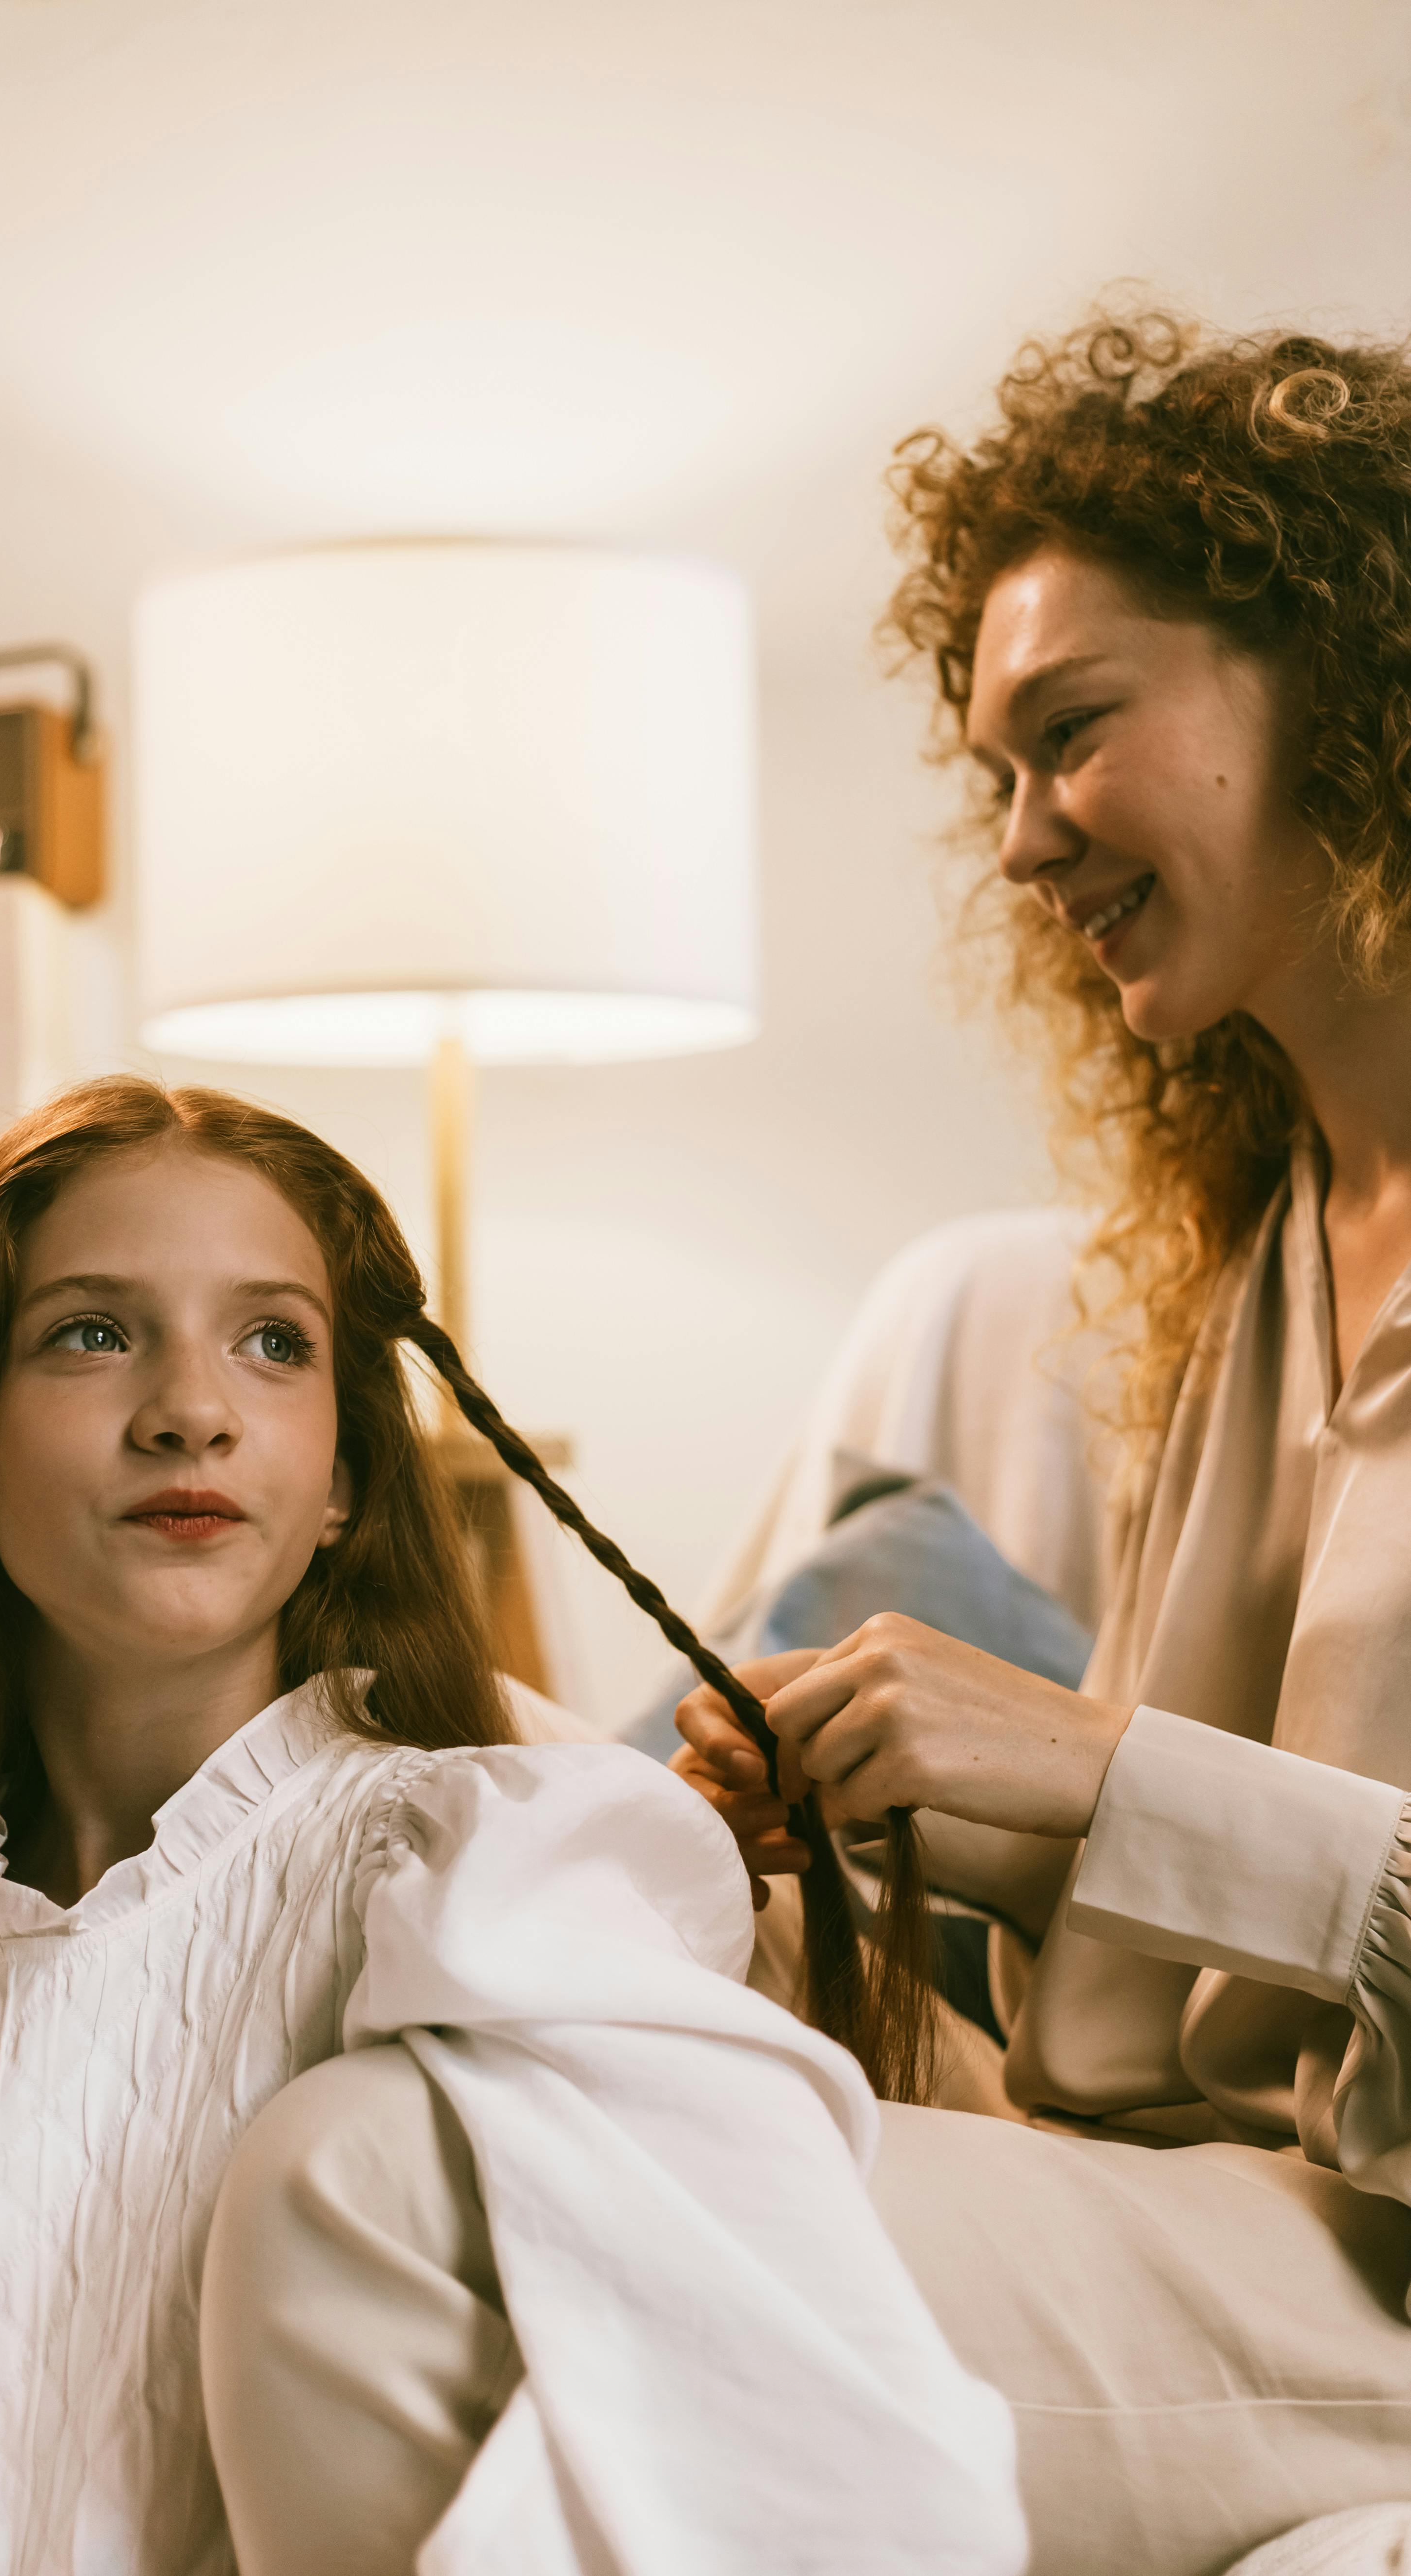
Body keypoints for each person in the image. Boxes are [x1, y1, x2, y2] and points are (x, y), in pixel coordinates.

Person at [0, 1077, 1024, 2576]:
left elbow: (776, 2393)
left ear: (341, 1482)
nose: (190, 1410)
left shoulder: (479, 1859)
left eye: (274, 1344)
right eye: (91, 1332)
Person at [670, 313, 1411, 2571]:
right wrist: (926, 1822)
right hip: (1221, 2224)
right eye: (991, 773)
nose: (1016, 843)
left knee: (458, 2197)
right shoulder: (1271, 1248)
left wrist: (1089, 1770)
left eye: (1068, 734)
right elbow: (1263, 1948)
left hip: (1355, 2286)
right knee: (435, 2106)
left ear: (1355, 686)